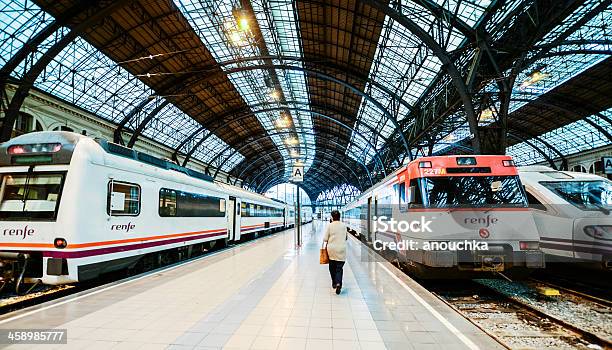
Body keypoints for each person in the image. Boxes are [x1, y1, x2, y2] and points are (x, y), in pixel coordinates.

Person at [323, 210, 347, 295]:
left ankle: (334, 282)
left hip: (332, 249)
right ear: (339, 217)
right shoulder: (344, 225)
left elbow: (325, 238)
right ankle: (338, 283)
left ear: (332, 217)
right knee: (339, 268)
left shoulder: (330, 225)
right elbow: (346, 237)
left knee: (332, 267)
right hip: (341, 249)